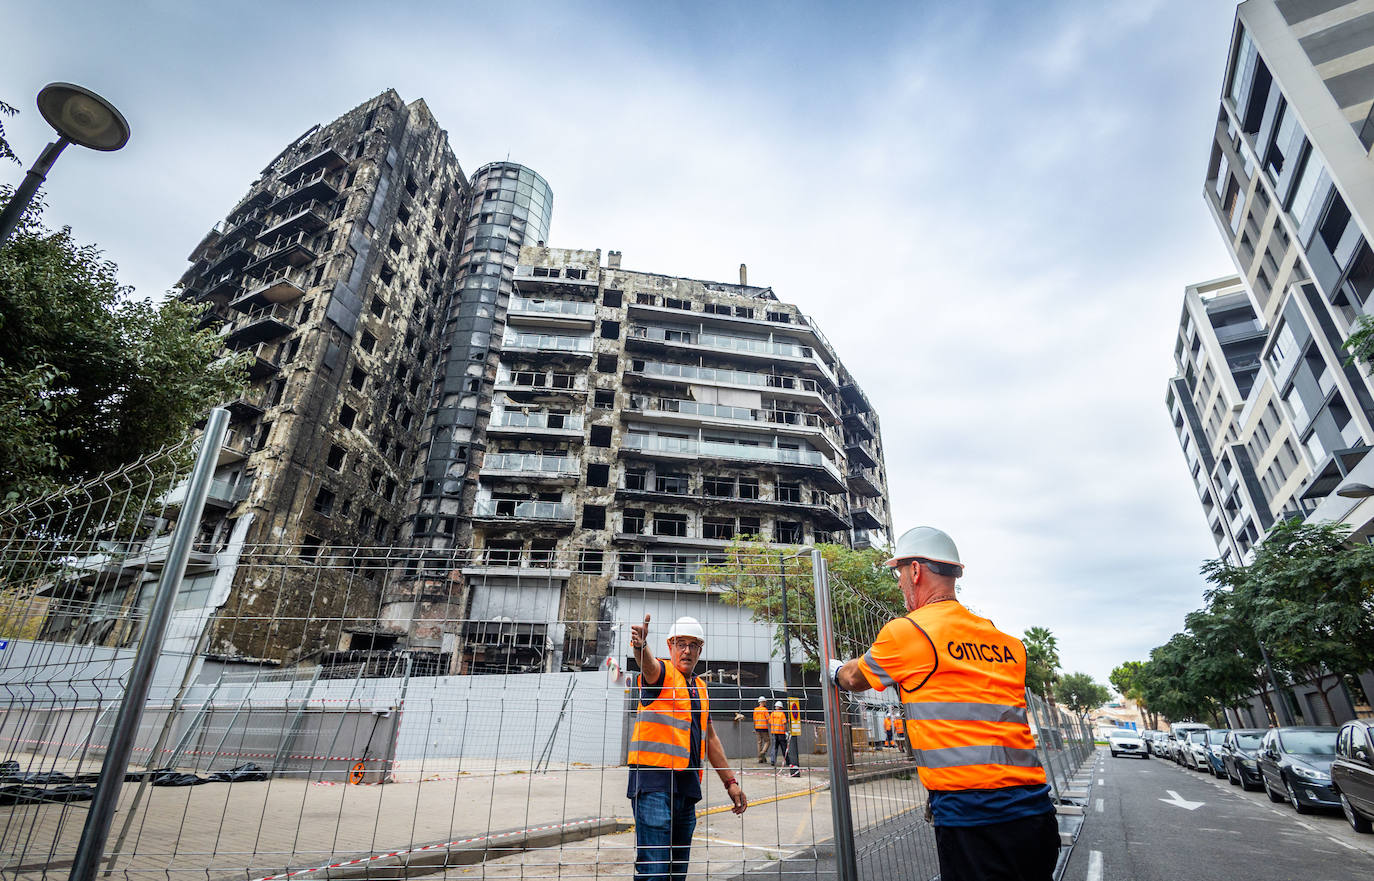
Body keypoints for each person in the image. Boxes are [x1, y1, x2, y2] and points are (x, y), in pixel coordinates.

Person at [827, 526, 1059, 881]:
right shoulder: (1005, 643)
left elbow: (856, 678)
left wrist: (834, 670)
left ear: (916, 571)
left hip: (972, 818)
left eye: (900, 574)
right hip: (1035, 812)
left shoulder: (908, 631)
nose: (900, 583)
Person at [628, 614, 747, 880]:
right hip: (653, 784)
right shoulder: (662, 673)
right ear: (669, 646)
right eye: (681, 643)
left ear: (700, 650)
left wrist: (730, 782)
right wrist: (641, 646)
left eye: (693, 645)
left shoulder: (701, 688)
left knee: (677, 872)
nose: (687, 650)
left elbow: (711, 738)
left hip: (687, 787)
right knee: (654, 871)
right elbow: (648, 667)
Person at [767, 700, 788, 766]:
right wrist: (785, 732)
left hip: (774, 733)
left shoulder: (772, 714)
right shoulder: (782, 714)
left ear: (776, 707)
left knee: (774, 748)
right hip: (781, 733)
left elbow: (770, 723)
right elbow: (784, 724)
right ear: (781, 707)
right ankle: (788, 761)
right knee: (784, 748)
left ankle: (773, 761)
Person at [752, 696, 771, 763]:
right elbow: (769, 719)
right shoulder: (765, 710)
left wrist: (754, 728)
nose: (765, 703)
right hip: (764, 728)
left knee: (759, 742)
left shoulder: (755, 710)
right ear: (763, 702)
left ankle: (760, 758)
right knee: (767, 741)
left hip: (757, 728)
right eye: (765, 702)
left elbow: (754, 720)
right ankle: (762, 752)